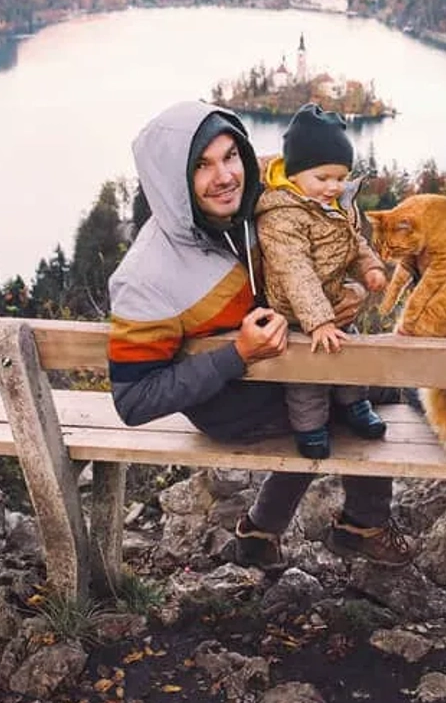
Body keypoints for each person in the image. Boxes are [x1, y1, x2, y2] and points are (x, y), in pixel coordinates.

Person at [107, 99, 413, 568]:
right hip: (234, 407)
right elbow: (134, 401)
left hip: (284, 368)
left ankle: (261, 531)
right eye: (203, 166)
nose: (226, 175)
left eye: (231, 156)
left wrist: (345, 287)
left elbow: (327, 207)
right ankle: (362, 523)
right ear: (172, 179)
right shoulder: (147, 276)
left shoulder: (259, 206)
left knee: (338, 388)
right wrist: (237, 353)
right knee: (363, 398)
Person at [254, 103, 390, 458]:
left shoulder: (334, 203)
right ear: (296, 173)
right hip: (297, 315)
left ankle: (356, 406)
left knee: (350, 354)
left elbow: (352, 239)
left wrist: (369, 266)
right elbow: (294, 270)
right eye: (323, 178)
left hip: (331, 304)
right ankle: (310, 428)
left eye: (340, 177)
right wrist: (319, 321)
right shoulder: (282, 215)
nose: (334, 186)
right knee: (307, 374)